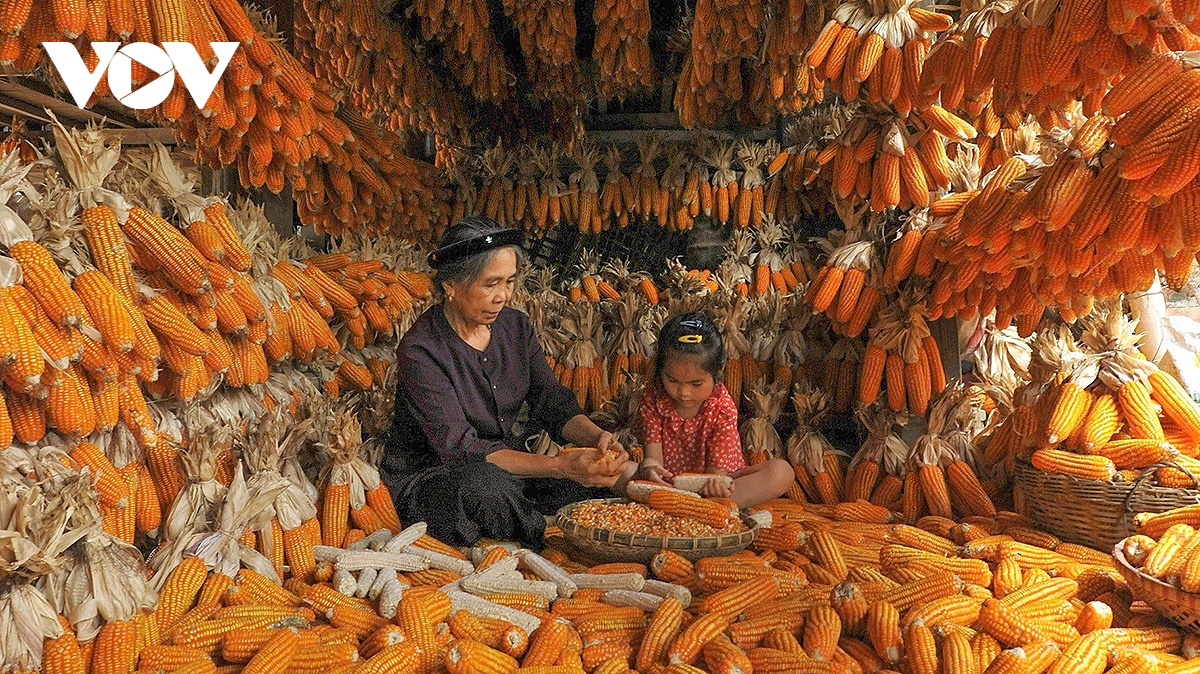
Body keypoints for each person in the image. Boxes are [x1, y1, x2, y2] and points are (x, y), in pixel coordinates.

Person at [380, 217, 635, 549]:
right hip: (442, 478)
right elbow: (461, 448)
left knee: (596, 480)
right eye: (491, 284)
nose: (503, 296)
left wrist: (597, 436)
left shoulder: (516, 328)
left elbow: (551, 400)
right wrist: (558, 466)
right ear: (451, 286)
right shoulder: (421, 351)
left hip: (506, 465)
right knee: (484, 488)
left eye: (510, 282)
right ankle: (541, 535)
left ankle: (530, 524)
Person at [633, 312, 794, 508]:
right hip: (668, 486)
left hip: (718, 483)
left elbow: (717, 473)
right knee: (623, 469)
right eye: (673, 381)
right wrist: (651, 470)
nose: (684, 392)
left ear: (717, 375)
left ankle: (701, 507)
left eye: (696, 383)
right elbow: (653, 459)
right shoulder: (653, 399)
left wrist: (715, 485)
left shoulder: (722, 407)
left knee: (782, 472)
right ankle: (690, 506)